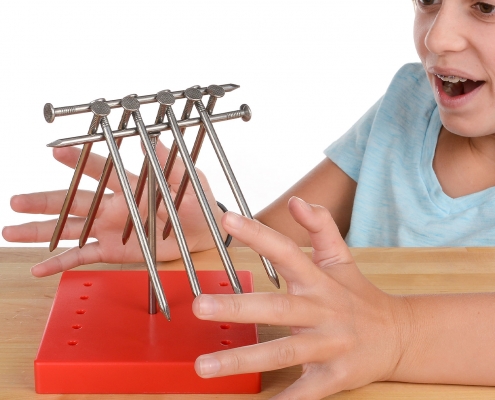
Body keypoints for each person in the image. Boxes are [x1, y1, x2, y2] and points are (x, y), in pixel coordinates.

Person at [4, 0, 495, 398]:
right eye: (429, 0)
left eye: (485, 7)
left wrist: (398, 336)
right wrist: (212, 231)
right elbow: (275, 245)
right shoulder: (409, 101)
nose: (438, 38)